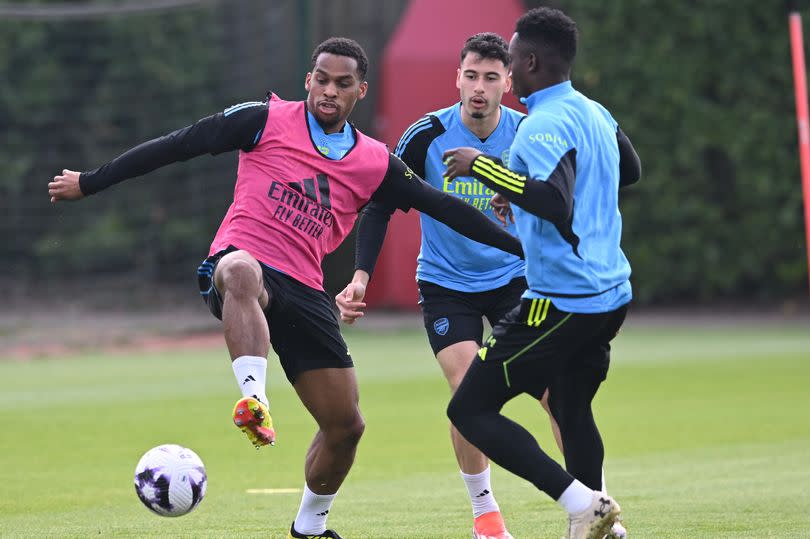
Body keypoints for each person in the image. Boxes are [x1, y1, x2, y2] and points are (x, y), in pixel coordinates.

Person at [48, 37, 523, 539]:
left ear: (360, 91)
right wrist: (91, 181)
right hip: (243, 266)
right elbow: (179, 143)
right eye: (321, 79)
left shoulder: (374, 161)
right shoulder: (264, 119)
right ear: (307, 80)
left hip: (304, 290)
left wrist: (525, 250)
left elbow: (447, 208)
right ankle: (253, 399)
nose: (328, 91)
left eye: (342, 84)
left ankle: (310, 528)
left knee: (346, 427)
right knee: (240, 272)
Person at [336, 31, 630, 539]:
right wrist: (361, 274)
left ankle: (597, 506)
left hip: (519, 277)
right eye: (470, 75)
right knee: (465, 385)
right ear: (457, 78)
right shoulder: (425, 135)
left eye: (491, 77)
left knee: (556, 397)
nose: (479, 87)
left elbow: (559, 195)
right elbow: (382, 202)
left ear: (508, 82)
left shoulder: (530, 130)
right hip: (447, 282)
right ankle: (486, 517)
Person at [442, 7, 641, 539]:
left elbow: (554, 202)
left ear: (529, 62)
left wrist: (481, 167)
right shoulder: (594, 112)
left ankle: (581, 504)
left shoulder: (540, 125)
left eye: (509, 57)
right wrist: (530, 201)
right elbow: (632, 170)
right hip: (611, 294)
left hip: (562, 299)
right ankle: (605, 527)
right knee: (572, 408)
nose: (506, 66)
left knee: (471, 410)